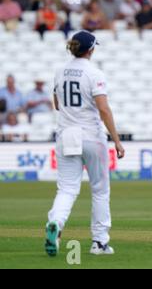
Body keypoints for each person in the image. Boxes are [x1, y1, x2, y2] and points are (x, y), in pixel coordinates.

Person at [45, 30, 125, 257]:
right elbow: (103, 109)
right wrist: (117, 141)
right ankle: (99, 242)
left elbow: (57, 104)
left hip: (66, 134)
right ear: (90, 49)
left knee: (67, 189)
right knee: (100, 190)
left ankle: (57, 224)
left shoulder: (60, 71)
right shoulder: (93, 72)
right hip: (90, 135)